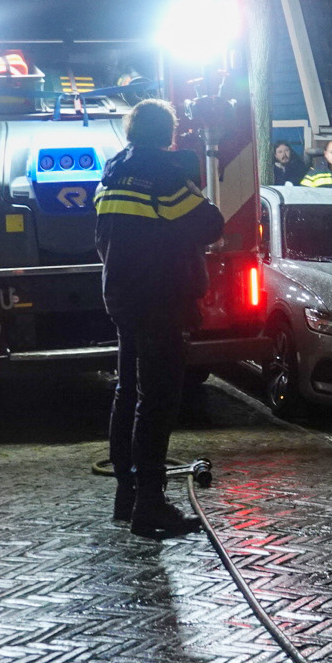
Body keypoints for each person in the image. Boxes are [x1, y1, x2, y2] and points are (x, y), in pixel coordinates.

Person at [95, 98, 225, 538]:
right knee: (157, 399)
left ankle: (127, 496)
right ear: (167, 134)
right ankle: (151, 506)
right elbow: (209, 223)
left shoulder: (113, 170)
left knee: (127, 392)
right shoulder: (166, 176)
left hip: (122, 296)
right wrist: (187, 173)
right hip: (160, 299)